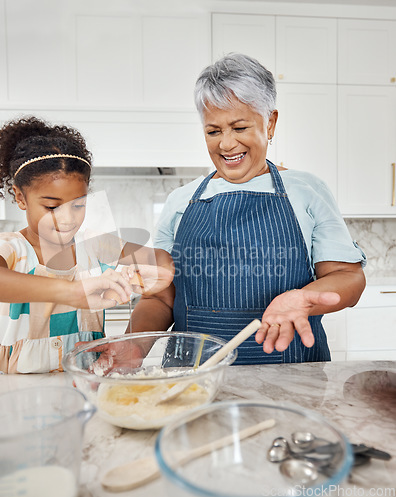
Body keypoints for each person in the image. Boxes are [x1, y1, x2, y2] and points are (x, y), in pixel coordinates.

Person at [128, 53, 366, 364]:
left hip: (290, 380)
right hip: (193, 380)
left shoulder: (306, 191)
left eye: (239, 128)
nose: (226, 144)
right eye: (213, 131)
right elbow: (161, 296)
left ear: (270, 123)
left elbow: (348, 277)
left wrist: (303, 300)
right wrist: (132, 347)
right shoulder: (180, 201)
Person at [0, 116, 173, 374]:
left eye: (78, 205)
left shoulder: (95, 245)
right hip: (15, 383)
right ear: (20, 197)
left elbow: (160, 258)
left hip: (81, 380)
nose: (67, 219)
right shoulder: (12, 247)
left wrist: (145, 272)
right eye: (52, 207)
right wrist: (73, 291)